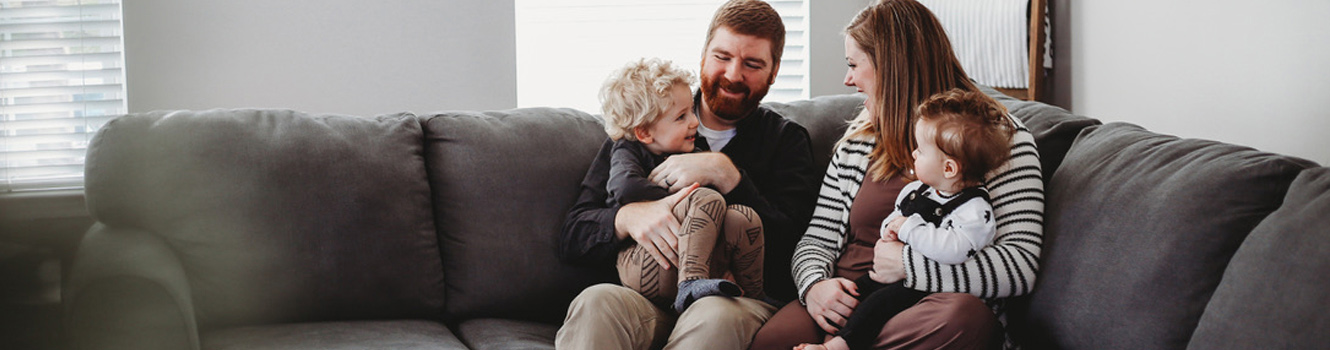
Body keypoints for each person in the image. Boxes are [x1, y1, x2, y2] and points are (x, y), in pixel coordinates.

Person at [749, 0, 1045, 349]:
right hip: (851, 297)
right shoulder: (858, 141)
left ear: (891, 68)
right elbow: (817, 240)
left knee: (961, 319)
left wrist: (911, 267)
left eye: (854, 64)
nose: (848, 79)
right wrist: (815, 287)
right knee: (772, 341)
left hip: (927, 306)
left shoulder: (998, 137)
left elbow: (1018, 264)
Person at [555, 1, 821, 349]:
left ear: (774, 71)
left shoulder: (786, 141)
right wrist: (627, 217)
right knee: (596, 302)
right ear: (703, 56)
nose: (733, 74)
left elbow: (801, 249)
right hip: (648, 299)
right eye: (722, 57)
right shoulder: (647, 121)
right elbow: (573, 236)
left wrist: (730, 177)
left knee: (713, 316)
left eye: (752, 64)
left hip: (732, 301)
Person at [794, 89, 1017, 350]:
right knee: (855, 295)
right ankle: (833, 338)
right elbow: (897, 214)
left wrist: (909, 235)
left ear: (949, 168)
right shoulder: (918, 189)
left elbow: (956, 248)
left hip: (924, 286)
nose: (913, 155)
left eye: (921, 151)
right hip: (882, 273)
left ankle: (840, 345)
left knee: (879, 305)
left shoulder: (975, 209)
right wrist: (890, 228)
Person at [598, 57, 768, 313]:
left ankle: (754, 298)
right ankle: (691, 284)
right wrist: (680, 198)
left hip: (690, 254)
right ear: (645, 132)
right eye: (681, 117)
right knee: (704, 198)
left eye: (691, 110)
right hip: (646, 263)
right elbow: (625, 188)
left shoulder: (694, 147)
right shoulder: (628, 149)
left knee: (744, 217)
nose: (694, 121)